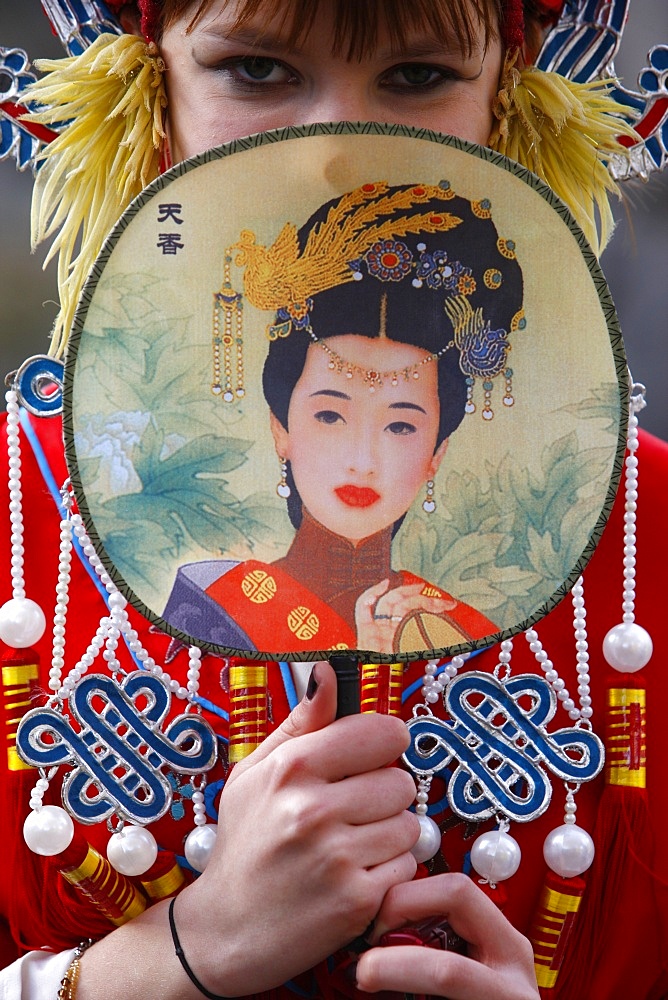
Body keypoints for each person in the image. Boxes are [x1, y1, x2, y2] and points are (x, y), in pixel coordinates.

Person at [0, 3, 666, 1000]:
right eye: (258, 71)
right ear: (149, 90)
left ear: (507, 98)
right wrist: (178, 951)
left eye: (415, 76)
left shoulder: (640, 529)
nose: (338, 156)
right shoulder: (18, 515)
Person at [164, 182, 524, 654]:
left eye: (400, 426)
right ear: (281, 427)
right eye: (331, 415)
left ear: (438, 452)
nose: (362, 461)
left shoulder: (458, 631)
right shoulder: (214, 607)